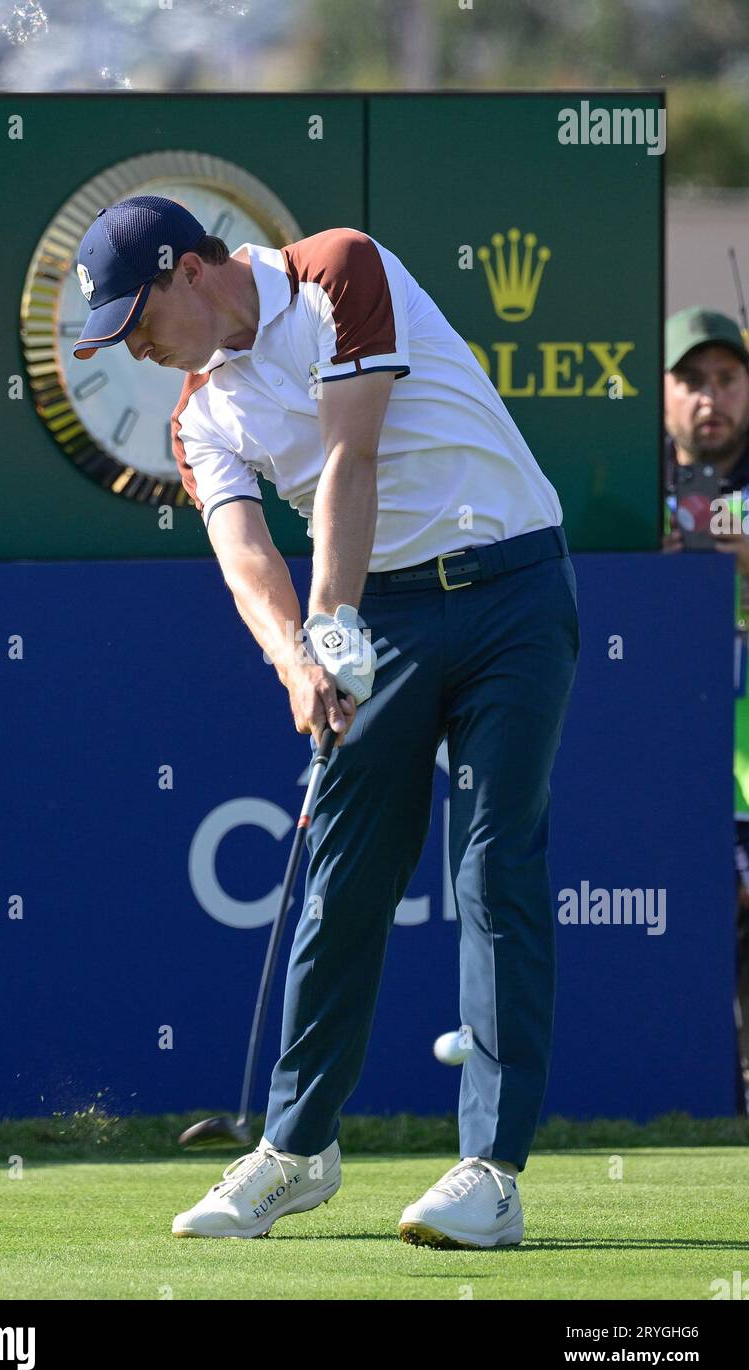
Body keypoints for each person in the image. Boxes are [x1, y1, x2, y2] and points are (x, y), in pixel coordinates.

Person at [72, 196, 580, 1249]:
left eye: (138, 320)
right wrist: (297, 659)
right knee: (344, 879)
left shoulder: (337, 270)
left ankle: (490, 1169)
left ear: (190, 272)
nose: (140, 348)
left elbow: (353, 454)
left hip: (512, 589)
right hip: (382, 614)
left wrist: (331, 621)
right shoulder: (199, 410)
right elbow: (243, 550)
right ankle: (297, 1149)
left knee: (493, 866)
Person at [662, 306, 749, 1112]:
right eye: (689, 381)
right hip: (669, 761)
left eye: (724, 379)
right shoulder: (624, 484)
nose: (707, 398)